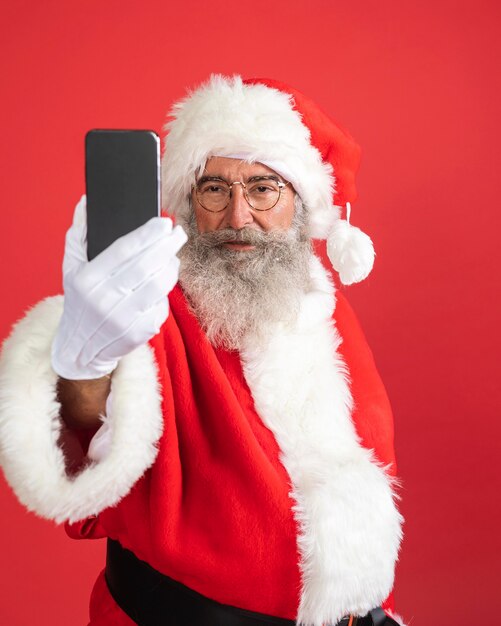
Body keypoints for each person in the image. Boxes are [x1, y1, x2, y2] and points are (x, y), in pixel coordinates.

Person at [0, 75, 404, 626]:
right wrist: (83, 364)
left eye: (263, 188)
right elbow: (83, 483)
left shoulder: (323, 313)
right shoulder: (145, 311)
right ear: (190, 202)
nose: (237, 217)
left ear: (303, 205)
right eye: (214, 188)